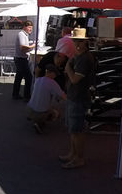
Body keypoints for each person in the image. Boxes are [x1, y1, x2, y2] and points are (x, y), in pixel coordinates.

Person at [61, 38, 96, 169]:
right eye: (75, 41)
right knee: (73, 129)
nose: (77, 44)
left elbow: (75, 79)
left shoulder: (85, 58)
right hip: (73, 96)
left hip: (79, 97)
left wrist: (68, 67)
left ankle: (78, 158)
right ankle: (73, 154)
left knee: (77, 130)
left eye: (80, 42)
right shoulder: (79, 56)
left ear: (86, 43)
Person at [27, 64, 66, 134]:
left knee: (44, 104)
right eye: (55, 74)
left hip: (29, 109)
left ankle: (34, 118)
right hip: (40, 112)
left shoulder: (38, 79)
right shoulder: (52, 82)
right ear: (51, 73)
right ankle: (39, 123)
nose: (55, 76)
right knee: (57, 113)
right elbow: (63, 96)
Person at [12, 21, 35, 100]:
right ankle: (27, 96)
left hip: (21, 58)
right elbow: (22, 48)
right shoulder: (21, 34)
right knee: (29, 77)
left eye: (31, 28)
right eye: (29, 28)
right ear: (24, 27)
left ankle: (15, 94)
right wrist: (33, 46)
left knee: (19, 77)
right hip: (21, 59)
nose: (30, 29)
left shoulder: (24, 34)